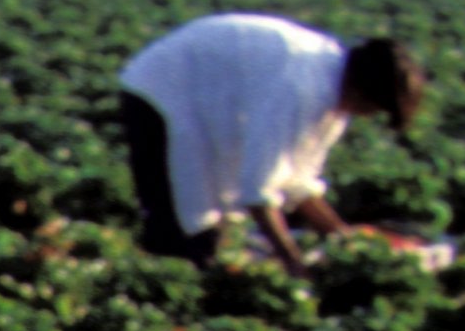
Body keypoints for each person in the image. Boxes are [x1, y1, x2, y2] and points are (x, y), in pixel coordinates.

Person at [116, 14, 427, 268]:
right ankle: (158, 285)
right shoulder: (299, 88)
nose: (368, 116)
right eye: (374, 108)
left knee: (207, 231)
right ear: (363, 90)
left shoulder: (333, 94)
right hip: (163, 89)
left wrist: (343, 238)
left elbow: (298, 181)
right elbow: (258, 191)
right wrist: (292, 260)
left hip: (206, 95)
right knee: (179, 228)